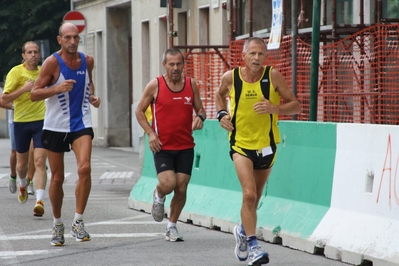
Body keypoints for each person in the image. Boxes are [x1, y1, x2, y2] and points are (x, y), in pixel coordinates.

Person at [215, 37, 301, 266]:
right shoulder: (230, 78)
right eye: (252, 53)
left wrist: (275, 108)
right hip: (240, 144)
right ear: (243, 56)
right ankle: (253, 246)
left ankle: (242, 231)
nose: (256, 58)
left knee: (256, 197)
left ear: (266, 57)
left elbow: (296, 104)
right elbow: (218, 95)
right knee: (249, 194)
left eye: (261, 54)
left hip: (267, 145)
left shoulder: (272, 76)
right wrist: (222, 115)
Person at [30, 22, 101, 246]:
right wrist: (57, 89)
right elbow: (34, 94)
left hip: (81, 123)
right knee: (57, 178)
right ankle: (57, 224)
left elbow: (89, 86)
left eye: (76, 37)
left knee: (85, 168)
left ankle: (78, 221)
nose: (72, 41)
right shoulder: (52, 63)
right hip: (55, 126)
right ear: (59, 40)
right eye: (68, 37)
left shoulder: (87, 60)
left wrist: (93, 98)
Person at [135, 48, 206, 242]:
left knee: (181, 188)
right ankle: (158, 194)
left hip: (185, 146)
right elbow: (139, 111)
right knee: (168, 183)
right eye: (171, 64)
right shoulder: (155, 85)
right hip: (162, 146)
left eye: (179, 64)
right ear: (164, 65)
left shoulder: (191, 85)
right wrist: (150, 133)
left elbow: (201, 108)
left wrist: (200, 117)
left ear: (184, 65)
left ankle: (171, 226)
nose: (175, 68)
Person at [1, 41, 47, 217]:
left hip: (41, 121)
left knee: (40, 161)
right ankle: (22, 183)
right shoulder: (16, 72)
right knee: (21, 164)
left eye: (36, 52)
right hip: (21, 122)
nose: (34, 55)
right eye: (30, 52)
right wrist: (24, 89)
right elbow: (3, 100)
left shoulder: (44, 71)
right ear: (23, 55)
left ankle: (40, 201)